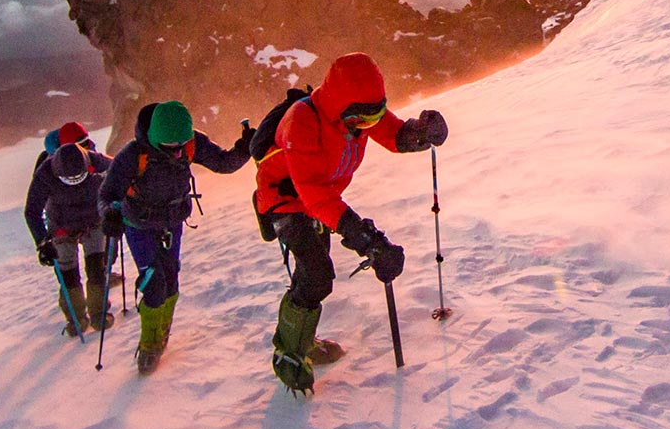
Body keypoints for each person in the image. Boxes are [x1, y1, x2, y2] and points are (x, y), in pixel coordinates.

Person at [249, 52, 447, 394]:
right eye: (360, 119)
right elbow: (315, 197)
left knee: (314, 271)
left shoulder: (359, 114)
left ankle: (302, 340)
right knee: (317, 273)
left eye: (373, 117)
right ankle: (289, 355)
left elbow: (392, 132)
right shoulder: (303, 122)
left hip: (320, 198)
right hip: (285, 198)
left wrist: (420, 133)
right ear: (341, 106)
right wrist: (368, 240)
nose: (366, 126)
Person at [99, 100, 252, 375]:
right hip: (139, 224)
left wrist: (245, 148)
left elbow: (223, 164)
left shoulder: (190, 142)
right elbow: (107, 193)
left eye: (182, 145)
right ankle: (149, 345)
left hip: (172, 222)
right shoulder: (134, 154)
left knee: (170, 279)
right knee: (154, 282)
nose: (178, 152)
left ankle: (162, 333)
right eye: (171, 148)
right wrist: (110, 213)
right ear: (155, 139)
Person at [23, 141, 115, 336]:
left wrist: (116, 207)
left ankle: (99, 313)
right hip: (61, 228)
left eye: (79, 177)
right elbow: (32, 211)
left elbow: (120, 171)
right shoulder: (45, 173)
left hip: (94, 222)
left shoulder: (96, 161)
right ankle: (76, 318)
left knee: (96, 268)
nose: (74, 181)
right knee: (68, 275)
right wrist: (42, 241)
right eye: (68, 178)